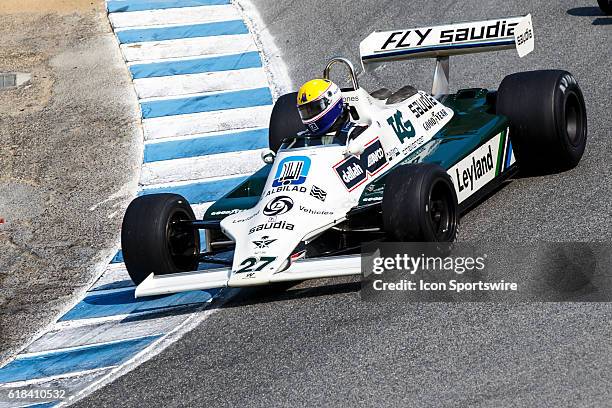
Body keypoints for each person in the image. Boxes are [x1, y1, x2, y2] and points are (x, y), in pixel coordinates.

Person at [296, 79, 367, 146]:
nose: (310, 114)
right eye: (305, 111)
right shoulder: (302, 139)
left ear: (331, 101)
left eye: (316, 108)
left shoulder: (355, 132)